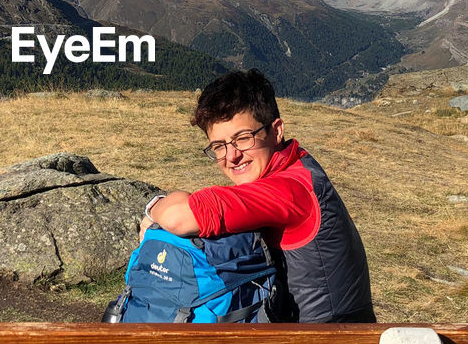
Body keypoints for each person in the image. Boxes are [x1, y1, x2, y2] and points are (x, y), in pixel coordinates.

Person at [144, 69, 375, 323]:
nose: (232, 156)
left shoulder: (289, 189)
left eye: (242, 138)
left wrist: (154, 208)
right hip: (322, 338)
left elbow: (177, 217)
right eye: (219, 146)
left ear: (276, 131)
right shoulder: (296, 167)